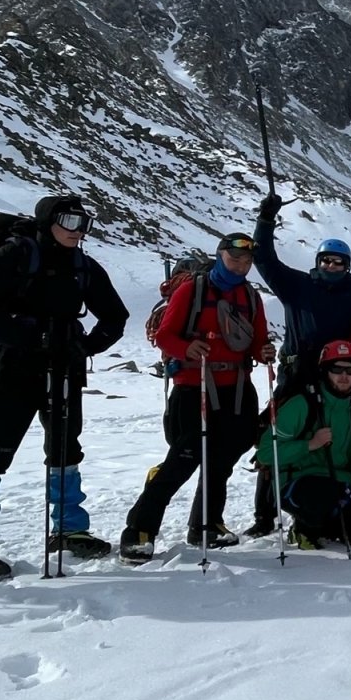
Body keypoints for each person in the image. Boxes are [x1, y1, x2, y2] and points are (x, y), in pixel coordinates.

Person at [0, 195, 129, 580]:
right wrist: (25, 337)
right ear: (48, 220)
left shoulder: (83, 265)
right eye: (69, 220)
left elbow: (116, 316)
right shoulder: (17, 254)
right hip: (15, 365)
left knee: (66, 448)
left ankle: (69, 527)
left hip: (65, 365)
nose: (78, 230)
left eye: (85, 223)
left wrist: (84, 346)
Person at [118, 233, 271, 562]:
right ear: (221, 256)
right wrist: (187, 348)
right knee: (185, 456)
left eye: (246, 260)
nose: (242, 265)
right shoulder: (192, 290)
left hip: (237, 386)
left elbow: (256, 341)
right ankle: (139, 530)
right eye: (235, 258)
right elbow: (164, 336)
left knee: (226, 453)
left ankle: (207, 523)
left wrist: (265, 350)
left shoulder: (250, 297)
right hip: (194, 384)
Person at [249, 193, 351, 537]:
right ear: (318, 262)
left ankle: (328, 497)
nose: (332, 267)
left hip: (338, 378)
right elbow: (265, 260)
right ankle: (265, 515)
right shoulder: (297, 285)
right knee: (279, 435)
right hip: (296, 375)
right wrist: (266, 220)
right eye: (326, 261)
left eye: (338, 262)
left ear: (347, 266)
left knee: (334, 437)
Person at [262, 340, 351, 550]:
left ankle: (322, 527)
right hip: (297, 483)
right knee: (320, 494)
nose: (344, 376)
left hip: (339, 487)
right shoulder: (302, 405)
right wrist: (310, 445)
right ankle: (304, 528)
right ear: (324, 371)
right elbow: (266, 453)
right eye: (336, 369)